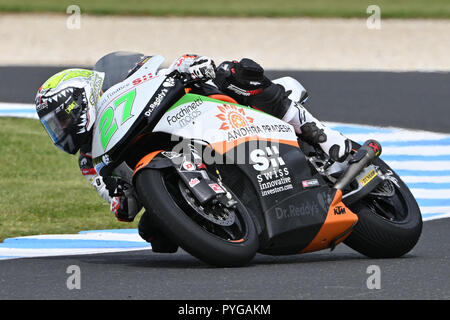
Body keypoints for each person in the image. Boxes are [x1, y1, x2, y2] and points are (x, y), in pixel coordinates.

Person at [35, 52, 351, 252]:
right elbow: (120, 206)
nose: (60, 131)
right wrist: (121, 198)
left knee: (235, 72)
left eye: (60, 120)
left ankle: (324, 139)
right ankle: (225, 225)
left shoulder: (118, 95)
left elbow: (155, 73)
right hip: (172, 171)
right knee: (154, 234)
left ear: (82, 101)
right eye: (53, 127)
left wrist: (187, 65)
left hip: (208, 118)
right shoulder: (90, 162)